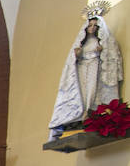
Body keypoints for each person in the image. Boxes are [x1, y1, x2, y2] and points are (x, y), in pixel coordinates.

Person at [49, 12, 123, 140]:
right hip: (82, 69)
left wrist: (101, 52)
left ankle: (90, 113)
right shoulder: (81, 43)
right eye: (90, 25)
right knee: (82, 92)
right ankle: (81, 114)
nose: (92, 28)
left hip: (94, 67)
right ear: (86, 28)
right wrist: (76, 56)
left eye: (95, 25)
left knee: (92, 91)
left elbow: (108, 58)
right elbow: (72, 63)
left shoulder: (100, 42)